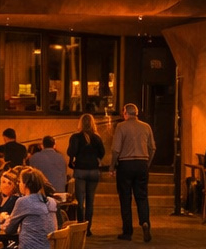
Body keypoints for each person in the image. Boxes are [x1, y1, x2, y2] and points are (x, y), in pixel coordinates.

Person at [111, 103, 156, 242]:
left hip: (126, 164)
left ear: (125, 113)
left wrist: (112, 166)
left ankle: (127, 231)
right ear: (136, 113)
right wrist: (147, 163)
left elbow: (116, 149)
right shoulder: (146, 127)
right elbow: (152, 148)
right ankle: (145, 222)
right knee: (142, 196)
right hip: (142, 163)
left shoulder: (121, 126)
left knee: (125, 198)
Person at [67, 113, 105, 234]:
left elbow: (71, 152)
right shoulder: (97, 138)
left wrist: (73, 159)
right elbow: (102, 152)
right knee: (90, 200)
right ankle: (88, 228)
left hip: (80, 170)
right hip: (93, 171)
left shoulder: (75, 137)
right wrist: (96, 159)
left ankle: (80, 226)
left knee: (80, 201)